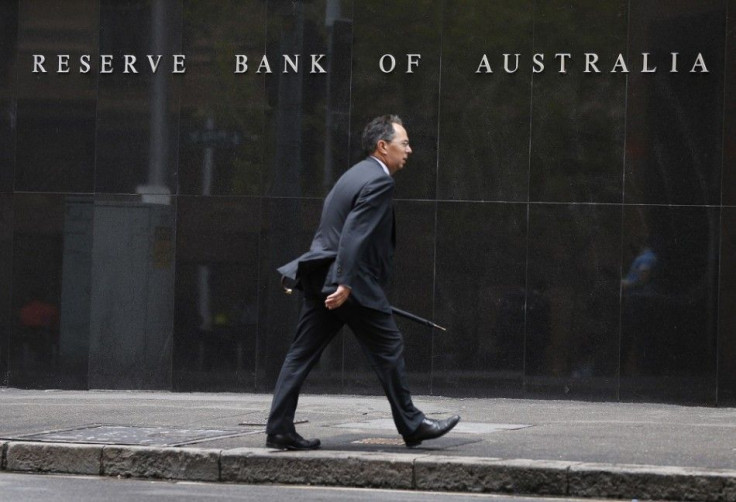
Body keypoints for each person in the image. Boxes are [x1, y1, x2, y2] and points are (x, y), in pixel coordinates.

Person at [266, 115, 460, 450]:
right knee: (389, 348)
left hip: (324, 278)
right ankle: (412, 425)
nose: (409, 150)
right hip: (350, 285)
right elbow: (354, 233)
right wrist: (344, 282)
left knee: (300, 355)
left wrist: (332, 279)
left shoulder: (353, 175)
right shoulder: (379, 181)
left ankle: (279, 428)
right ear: (383, 146)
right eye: (404, 143)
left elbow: (330, 229)